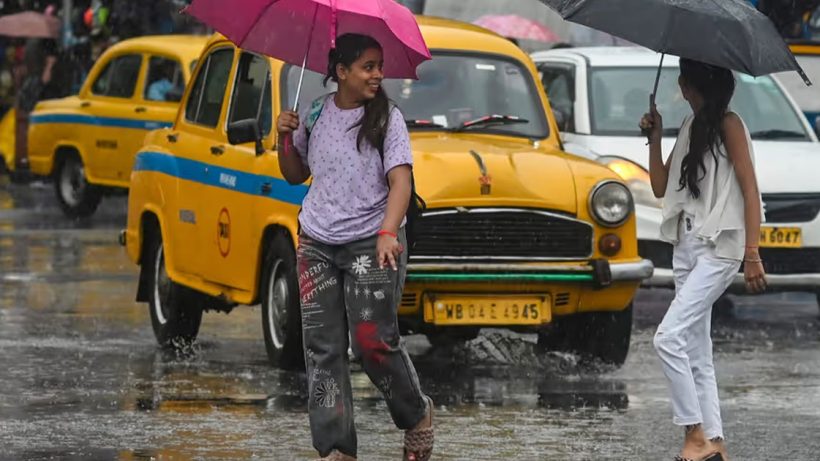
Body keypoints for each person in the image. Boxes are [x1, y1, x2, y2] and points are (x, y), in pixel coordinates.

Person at [276, 33, 433, 461]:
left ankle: (416, 414)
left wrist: (387, 232)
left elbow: (401, 182)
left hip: (370, 242)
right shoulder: (314, 113)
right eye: (368, 66)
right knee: (322, 350)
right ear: (340, 72)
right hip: (316, 242)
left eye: (379, 65)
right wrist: (283, 138)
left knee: (371, 343)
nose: (377, 74)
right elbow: (294, 174)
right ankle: (335, 448)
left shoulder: (388, 119)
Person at [640, 58, 767, 461]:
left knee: (667, 338)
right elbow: (661, 187)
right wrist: (656, 138)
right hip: (687, 244)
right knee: (697, 351)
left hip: (720, 247)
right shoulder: (692, 126)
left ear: (688, 84)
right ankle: (716, 442)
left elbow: (750, 191)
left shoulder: (730, 125)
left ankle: (694, 434)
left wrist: (752, 253)